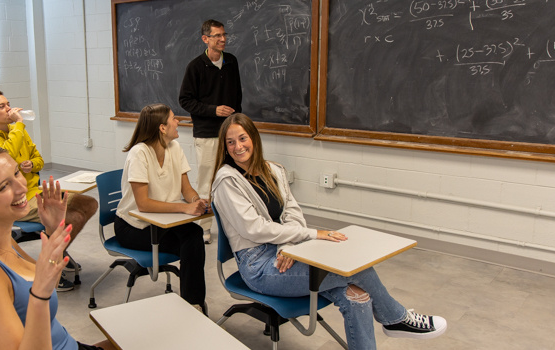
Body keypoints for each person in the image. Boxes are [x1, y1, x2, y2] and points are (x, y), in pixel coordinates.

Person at [210, 114, 447, 349]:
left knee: (357, 295)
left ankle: (394, 320)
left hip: (289, 251)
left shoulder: (273, 170)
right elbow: (254, 229)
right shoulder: (227, 180)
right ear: (225, 147)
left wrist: (289, 247)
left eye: (243, 138)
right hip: (259, 265)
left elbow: (292, 213)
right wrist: (312, 235)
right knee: (354, 269)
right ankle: (396, 318)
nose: (238, 146)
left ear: (254, 137)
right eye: (230, 142)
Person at [0, 143, 114, 350]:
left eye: (17, 173)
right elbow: (41, 289)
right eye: (3, 186)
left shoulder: (5, 242)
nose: (22, 188)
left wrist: (54, 230)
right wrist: (39, 296)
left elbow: (49, 279)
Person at [0, 90, 97, 290]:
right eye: (1, 106)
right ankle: (49, 265)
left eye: (8, 104)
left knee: (88, 203)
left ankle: (58, 254)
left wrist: (33, 164)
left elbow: (39, 159)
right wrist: (19, 125)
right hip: (14, 198)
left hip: (33, 190)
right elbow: (5, 158)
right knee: (69, 216)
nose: (9, 109)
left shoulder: (19, 132)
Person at [114, 103, 207, 310]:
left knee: (194, 236)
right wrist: (184, 209)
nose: (178, 121)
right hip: (133, 226)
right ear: (162, 128)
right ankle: (192, 305)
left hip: (164, 221)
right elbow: (143, 204)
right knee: (191, 244)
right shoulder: (139, 153)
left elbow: (186, 189)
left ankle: (193, 304)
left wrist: (195, 201)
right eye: (174, 118)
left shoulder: (175, 147)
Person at [179, 19, 242, 244]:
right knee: (207, 181)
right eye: (217, 35)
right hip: (207, 134)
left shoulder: (231, 61)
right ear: (205, 39)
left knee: (233, 179)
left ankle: (233, 226)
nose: (223, 39)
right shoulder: (195, 67)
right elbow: (185, 100)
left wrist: (238, 125)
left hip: (230, 133)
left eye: (224, 34)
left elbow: (238, 96)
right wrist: (213, 110)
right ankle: (204, 227)